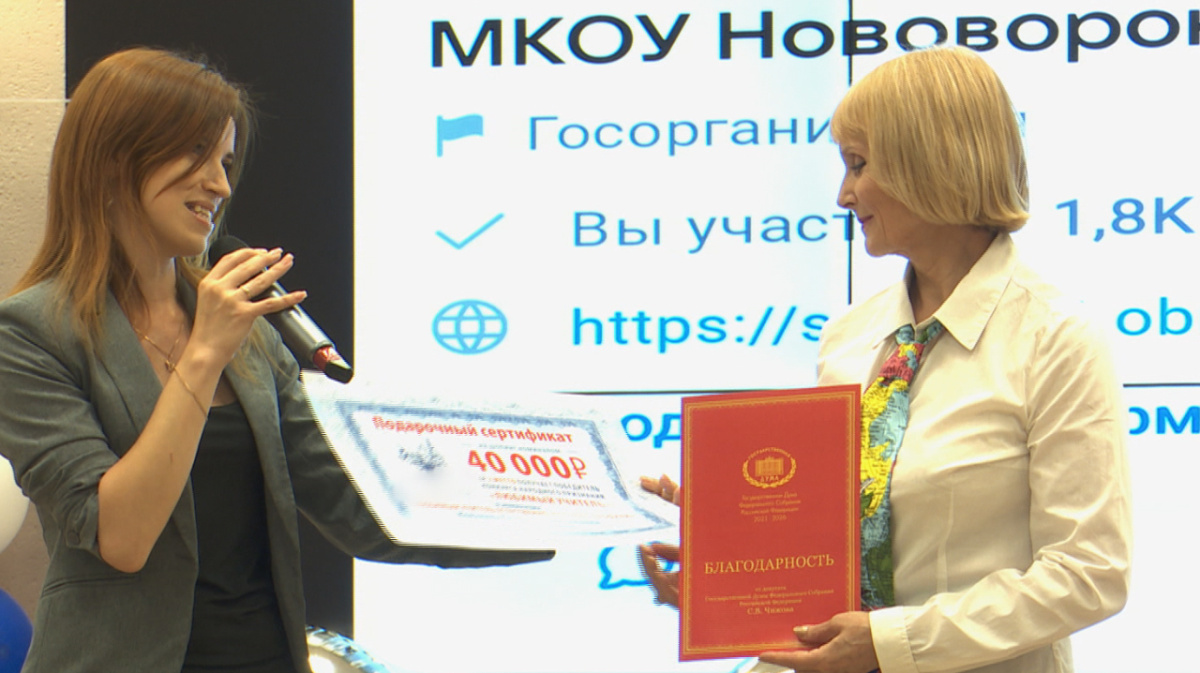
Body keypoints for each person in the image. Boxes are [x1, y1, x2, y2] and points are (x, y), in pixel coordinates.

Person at [0, 47, 550, 673]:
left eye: (226, 162)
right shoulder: (30, 333)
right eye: (197, 154)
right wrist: (204, 354)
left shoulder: (249, 333)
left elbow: (361, 510)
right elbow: (121, 538)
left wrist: (572, 513)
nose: (220, 184)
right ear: (115, 155)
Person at [639, 46, 1131, 673]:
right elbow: (839, 547)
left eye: (859, 165)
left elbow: (1088, 574)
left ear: (932, 163)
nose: (843, 195)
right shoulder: (850, 336)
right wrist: (732, 579)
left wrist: (892, 643)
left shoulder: (1055, 338)